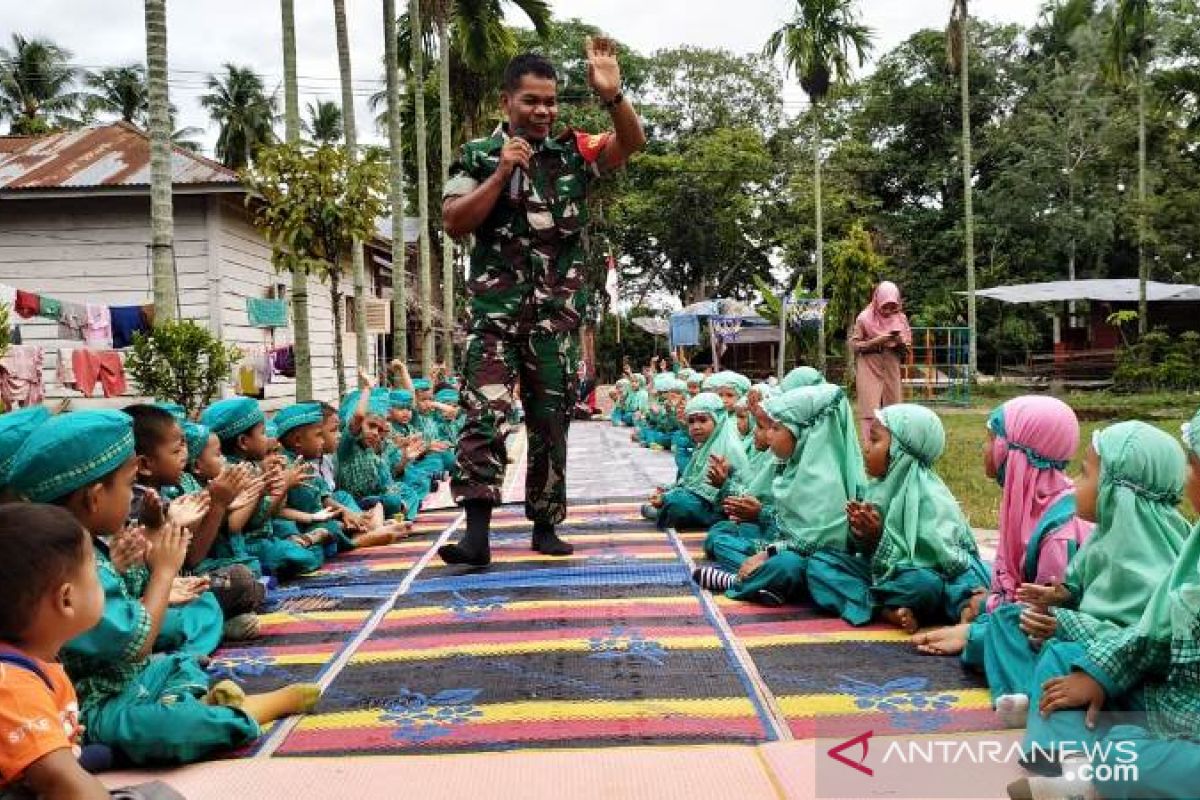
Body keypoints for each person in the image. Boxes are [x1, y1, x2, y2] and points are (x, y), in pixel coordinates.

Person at [5, 411, 320, 766]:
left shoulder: (87, 545)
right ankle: (249, 709)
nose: (133, 495)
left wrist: (143, 555)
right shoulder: (65, 565)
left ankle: (187, 698)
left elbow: (125, 603)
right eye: (127, 485)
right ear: (94, 498)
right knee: (176, 726)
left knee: (176, 663)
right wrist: (164, 572)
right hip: (91, 702)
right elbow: (136, 642)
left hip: (128, 677)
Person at [438, 41, 647, 567]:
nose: (543, 111)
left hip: (554, 320)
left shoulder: (575, 151)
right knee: (483, 416)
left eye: (550, 101)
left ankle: (546, 523)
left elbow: (632, 143)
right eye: (531, 101)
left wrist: (612, 94)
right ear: (507, 102)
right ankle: (477, 535)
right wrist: (502, 172)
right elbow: (455, 219)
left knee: (551, 423)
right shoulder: (477, 155)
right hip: (494, 318)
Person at [1006, 410, 1200, 800]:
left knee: (1125, 752)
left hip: (1167, 693)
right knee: (1065, 664)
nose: (1186, 479)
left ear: (1118, 489)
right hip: (1159, 687)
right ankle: (1068, 755)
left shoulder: (1162, 552)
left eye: (1193, 466)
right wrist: (1063, 602)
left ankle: (1086, 773)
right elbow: (1148, 635)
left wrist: (1080, 642)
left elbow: (1149, 634)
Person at [0, 503, 185, 800]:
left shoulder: (36, 659)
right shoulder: (13, 684)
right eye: (100, 578)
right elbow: (59, 781)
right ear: (67, 600)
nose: (105, 583)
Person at [914, 397, 1093, 675]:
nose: (984, 447)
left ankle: (977, 635)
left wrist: (978, 626)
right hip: (1024, 607)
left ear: (1014, 451)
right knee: (974, 582)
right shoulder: (1030, 499)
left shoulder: (1059, 532)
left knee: (1011, 636)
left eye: (990, 439)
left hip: (1057, 624)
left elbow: (1047, 616)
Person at [804, 404, 991, 633]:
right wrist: (863, 535)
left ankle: (872, 602)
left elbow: (943, 564)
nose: (866, 448)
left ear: (900, 452)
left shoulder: (932, 499)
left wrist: (879, 537)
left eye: (874, 441)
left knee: (925, 585)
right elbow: (862, 554)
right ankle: (886, 609)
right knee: (818, 564)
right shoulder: (876, 488)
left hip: (919, 579)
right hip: (884, 578)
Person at [695, 384, 865, 606]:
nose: (767, 435)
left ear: (804, 434)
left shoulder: (825, 478)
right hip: (779, 545)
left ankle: (738, 581)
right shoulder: (793, 467)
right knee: (722, 538)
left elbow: (818, 544)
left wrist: (768, 551)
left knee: (788, 565)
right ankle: (763, 584)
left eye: (775, 428)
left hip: (811, 560)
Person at [642, 392, 749, 531]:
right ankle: (665, 510)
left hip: (720, 508)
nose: (696, 426)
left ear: (719, 419)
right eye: (691, 422)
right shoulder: (705, 445)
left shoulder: (728, 447)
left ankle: (665, 512)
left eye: (703, 420)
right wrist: (667, 493)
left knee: (677, 502)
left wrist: (669, 497)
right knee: (673, 494)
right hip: (703, 500)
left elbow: (712, 494)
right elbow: (691, 480)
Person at [850, 281, 912, 444]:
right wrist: (877, 341)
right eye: (885, 306)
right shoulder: (864, 318)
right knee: (870, 408)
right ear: (877, 300)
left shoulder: (901, 319)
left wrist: (899, 342)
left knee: (894, 408)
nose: (889, 311)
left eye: (893, 307)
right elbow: (855, 346)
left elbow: (906, 350)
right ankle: (870, 446)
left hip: (891, 365)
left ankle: (893, 446)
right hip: (869, 365)